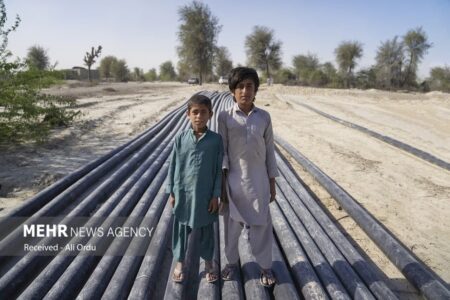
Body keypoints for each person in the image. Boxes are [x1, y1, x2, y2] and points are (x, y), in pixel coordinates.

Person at [218, 67, 278, 287]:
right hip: (233, 182)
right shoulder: (224, 117)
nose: (245, 91)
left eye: (249, 86)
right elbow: (222, 151)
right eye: (240, 87)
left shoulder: (264, 117)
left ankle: (265, 266)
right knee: (231, 227)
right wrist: (222, 185)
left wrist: (272, 183)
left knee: (261, 226)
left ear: (256, 90)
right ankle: (232, 263)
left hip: (259, 181)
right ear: (233, 91)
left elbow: (270, 151)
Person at [166, 94, 223, 283]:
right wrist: (171, 191)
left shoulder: (215, 141)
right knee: (181, 228)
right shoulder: (180, 139)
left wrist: (216, 195)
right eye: (195, 112)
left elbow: (217, 170)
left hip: (205, 194)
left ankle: (208, 263)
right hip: (184, 192)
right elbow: (173, 165)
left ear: (210, 114)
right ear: (187, 114)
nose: (199, 116)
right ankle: (180, 262)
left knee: (207, 230)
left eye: (203, 112)